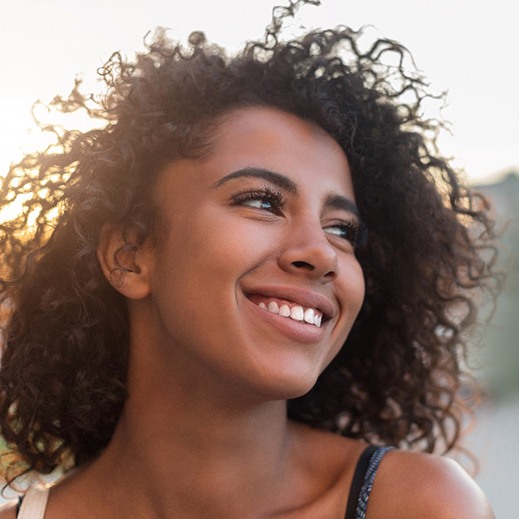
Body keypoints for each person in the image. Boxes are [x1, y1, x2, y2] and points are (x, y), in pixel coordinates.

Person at [0, 1, 497, 517]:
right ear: (129, 256)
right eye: (262, 201)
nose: (322, 253)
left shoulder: (417, 506)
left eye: (342, 229)